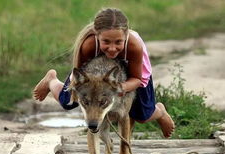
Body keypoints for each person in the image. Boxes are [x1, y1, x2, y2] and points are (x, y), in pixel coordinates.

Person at [33, 8, 175, 138]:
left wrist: (121, 88)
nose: (112, 48)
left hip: (133, 73)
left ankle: (160, 112)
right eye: (106, 42)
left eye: (118, 42)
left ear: (126, 35)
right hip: (98, 73)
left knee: (142, 115)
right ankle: (51, 80)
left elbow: (137, 78)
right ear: (97, 35)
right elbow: (80, 75)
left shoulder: (134, 46)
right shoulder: (88, 45)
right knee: (67, 102)